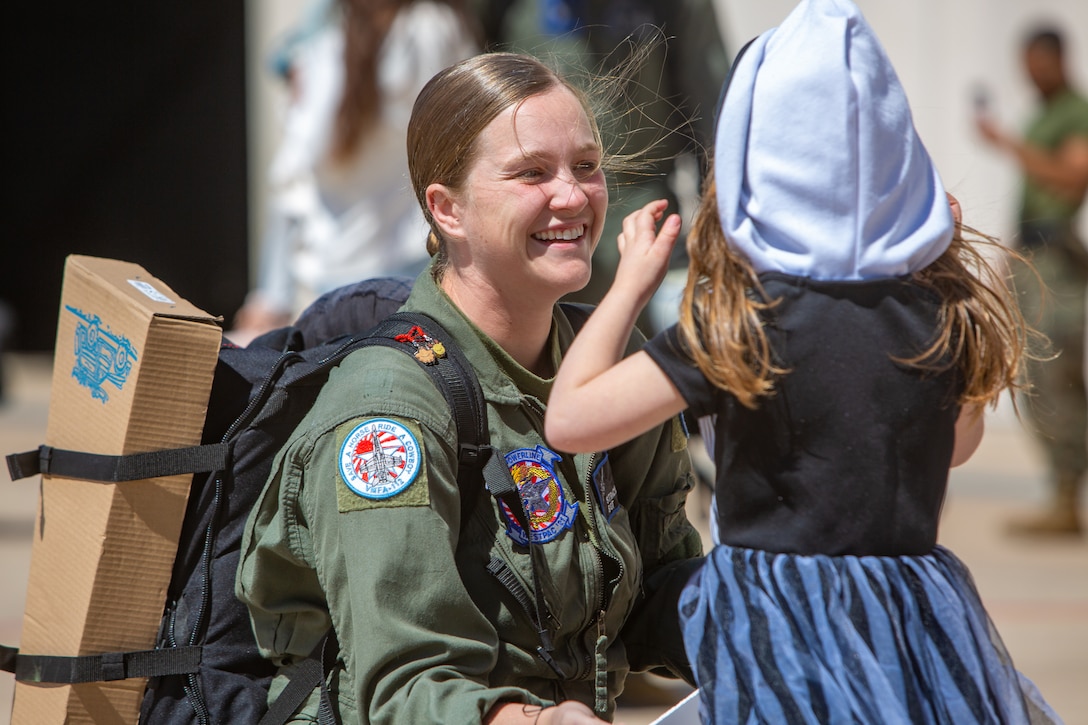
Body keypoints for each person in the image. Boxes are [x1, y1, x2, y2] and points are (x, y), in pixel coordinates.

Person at [545, 0, 1063, 722]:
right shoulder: (933, 314)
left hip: (775, 627)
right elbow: (959, 446)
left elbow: (571, 419)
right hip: (914, 621)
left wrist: (630, 282)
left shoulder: (741, 325)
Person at [236, 51, 704, 724]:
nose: (572, 195)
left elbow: (655, 589)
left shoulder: (611, 363)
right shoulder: (388, 409)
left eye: (587, 165)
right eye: (531, 172)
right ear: (446, 209)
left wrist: (765, 609)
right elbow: (403, 687)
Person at [232, 0, 478, 340]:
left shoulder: (328, 47)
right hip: (422, 268)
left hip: (338, 280)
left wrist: (271, 295)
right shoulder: (438, 29)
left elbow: (293, 181)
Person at [976, 26, 1088, 537]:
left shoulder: (1072, 112)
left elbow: (1071, 178)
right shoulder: (1044, 114)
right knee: (1036, 379)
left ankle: (1067, 497)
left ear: (1056, 59)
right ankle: (1062, 494)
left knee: (1056, 374)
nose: (1029, 72)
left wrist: (1011, 146)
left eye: (1036, 62)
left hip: (1058, 261)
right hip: (1034, 255)